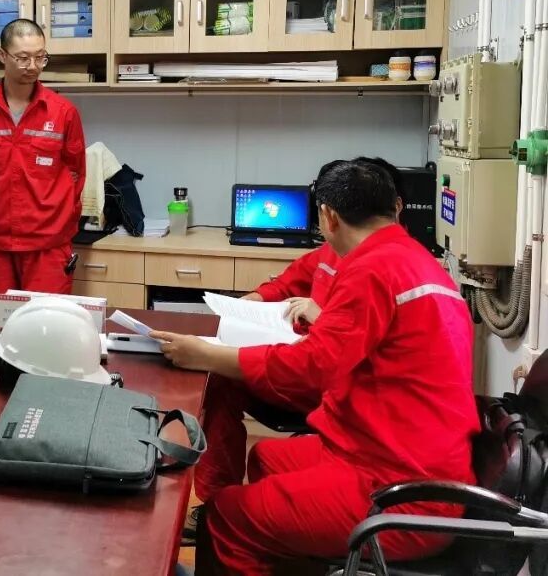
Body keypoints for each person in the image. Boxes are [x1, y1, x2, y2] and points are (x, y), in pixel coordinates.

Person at [152, 160, 478, 574]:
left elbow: (312, 366)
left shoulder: (373, 269)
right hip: (399, 454)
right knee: (266, 460)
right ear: (392, 207)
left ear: (328, 216)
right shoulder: (410, 259)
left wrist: (205, 354)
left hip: (402, 490)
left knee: (226, 520)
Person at [189, 158, 406, 523]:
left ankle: (228, 515)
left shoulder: (376, 269)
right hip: (314, 367)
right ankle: (213, 501)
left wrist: (208, 354)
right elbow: (289, 281)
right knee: (224, 382)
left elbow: (327, 359)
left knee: (223, 367)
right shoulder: (337, 252)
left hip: (331, 389)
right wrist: (249, 303)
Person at [0, 19, 86, 294]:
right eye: (22, 58)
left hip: (48, 243)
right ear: (2, 56)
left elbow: (76, 173)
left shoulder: (63, 112)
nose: (33, 66)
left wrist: (59, 223)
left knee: (46, 317)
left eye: (40, 57)